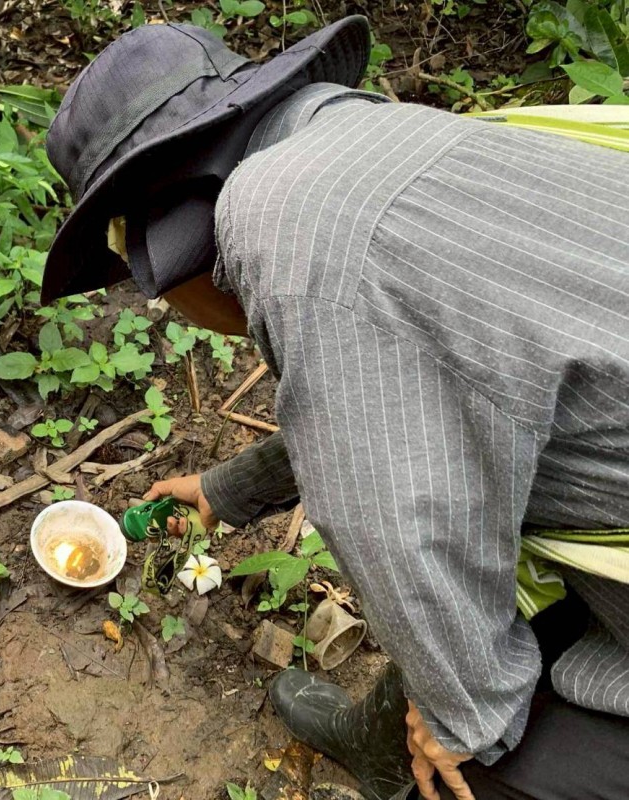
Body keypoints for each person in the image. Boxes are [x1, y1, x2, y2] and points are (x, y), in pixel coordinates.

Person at [39, 16, 629, 800]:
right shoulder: (384, 142)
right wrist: (231, 491)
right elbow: (426, 393)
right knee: (448, 646)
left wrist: (462, 720)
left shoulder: (290, 234)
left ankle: (420, 764)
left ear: (175, 243)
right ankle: (378, 741)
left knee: (478, 753)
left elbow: (398, 525)